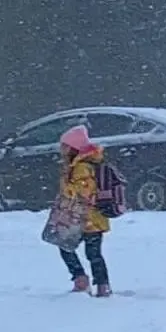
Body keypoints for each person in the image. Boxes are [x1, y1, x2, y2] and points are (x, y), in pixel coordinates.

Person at [57, 125, 112, 297]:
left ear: (73, 148)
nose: (62, 150)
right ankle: (102, 285)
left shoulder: (81, 167)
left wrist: (67, 188)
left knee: (66, 247)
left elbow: (83, 192)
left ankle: (81, 279)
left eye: (65, 146)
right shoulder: (87, 163)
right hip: (92, 218)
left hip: (85, 218)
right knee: (94, 254)